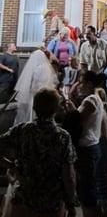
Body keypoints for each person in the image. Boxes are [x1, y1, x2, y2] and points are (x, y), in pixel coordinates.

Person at [0, 88, 76, 217]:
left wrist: (10, 165)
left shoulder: (21, 130)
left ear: (34, 107)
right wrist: (71, 203)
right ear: (56, 109)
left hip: (24, 199)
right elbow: (68, 176)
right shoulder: (62, 137)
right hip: (51, 202)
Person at [66, 70, 104, 217]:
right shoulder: (92, 99)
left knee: (86, 191)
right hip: (90, 146)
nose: (78, 85)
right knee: (85, 190)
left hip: (87, 148)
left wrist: (71, 110)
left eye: (81, 82)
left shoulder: (91, 100)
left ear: (88, 84)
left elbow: (78, 120)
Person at [14, 49, 57, 124]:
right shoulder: (47, 67)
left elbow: (35, 84)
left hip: (37, 95)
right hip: (45, 94)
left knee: (34, 114)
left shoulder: (39, 68)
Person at [96, 88, 107, 217]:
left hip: (101, 144)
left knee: (101, 177)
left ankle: (105, 208)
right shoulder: (104, 111)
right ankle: (105, 207)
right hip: (104, 144)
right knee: (102, 177)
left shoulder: (100, 112)